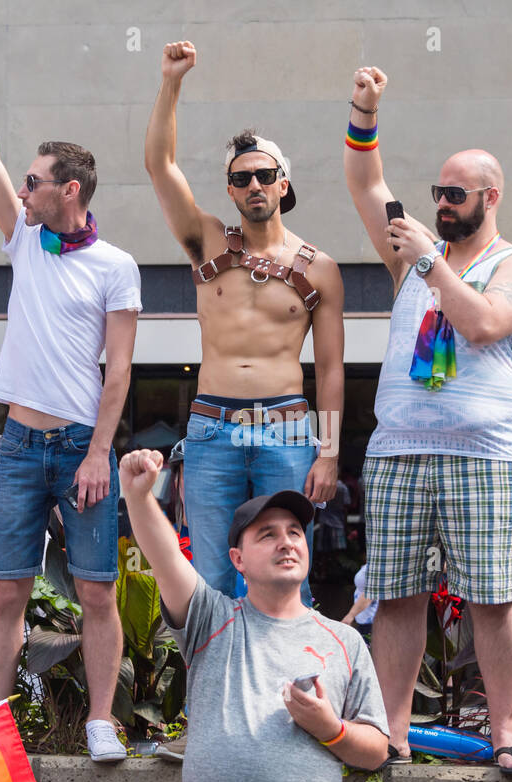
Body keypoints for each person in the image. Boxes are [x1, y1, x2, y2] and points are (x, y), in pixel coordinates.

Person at [342, 66, 512, 773]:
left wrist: (429, 257)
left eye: (454, 195)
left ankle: (507, 730)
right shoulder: (412, 259)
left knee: (492, 596)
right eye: (435, 194)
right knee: (396, 594)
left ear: (489, 197)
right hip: (398, 446)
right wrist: (364, 110)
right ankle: (391, 728)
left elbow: (487, 323)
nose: (441, 204)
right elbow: (366, 183)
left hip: (483, 452)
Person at [0, 29, 141, 760]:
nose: (21, 190)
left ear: (71, 190)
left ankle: (100, 720)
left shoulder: (117, 266)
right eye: (23, 181)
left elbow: (118, 370)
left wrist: (100, 452)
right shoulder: (25, 237)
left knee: (96, 591)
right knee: (9, 591)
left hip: (80, 448)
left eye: (35, 182)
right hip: (20, 444)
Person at [144, 41, 345, 605]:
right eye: (241, 179)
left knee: (286, 576)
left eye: (264, 175)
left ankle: (288, 694)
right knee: (209, 576)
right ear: (230, 191)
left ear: (284, 183)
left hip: (286, 428)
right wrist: (171, 82)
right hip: (212, 427)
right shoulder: (206, 240)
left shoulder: (320, 269)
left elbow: (330, 369)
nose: (253, 185)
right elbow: (159, 166)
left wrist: (327, 452)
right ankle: (214, 692)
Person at [120, 449, 389, 782]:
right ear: (238, 560)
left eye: (295, 532)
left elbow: (375, 751)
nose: (286, 542)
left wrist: (329, 728)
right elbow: (165, 556)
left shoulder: (344, 640)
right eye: (267, 534)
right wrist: (138, 496)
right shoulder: (211, 620)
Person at [339, 563, 377, 637]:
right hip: (365, 621)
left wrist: (350, 616)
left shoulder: (379, 562)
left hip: (373, 622)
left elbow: (371, 593)